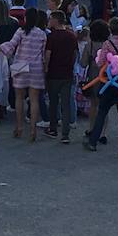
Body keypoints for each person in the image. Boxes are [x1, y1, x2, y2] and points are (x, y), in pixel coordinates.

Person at [0, 7, 46, 142]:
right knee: (34, 100)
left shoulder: (21, 31)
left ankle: (19, 127)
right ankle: (33, 129)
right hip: (36, 67)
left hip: (20, 64)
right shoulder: (42, 34)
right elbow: (44, 54)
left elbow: (10, 46)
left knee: (19, 97)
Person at [86, 17, 118, 154]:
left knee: (102, 111)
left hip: (110, 83)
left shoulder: (108, 44)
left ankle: (93, 141)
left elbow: (100, 63)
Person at [44, 10, 78, 143]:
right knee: (65, 103)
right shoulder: (71, 36)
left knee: (53, 102)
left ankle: (53, 128)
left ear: (56, 20)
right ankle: (65, 133)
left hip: (54, 73)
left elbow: (48, 54)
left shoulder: (51, 37)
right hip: (67, 73)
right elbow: (75, 53)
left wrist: (45, 69)